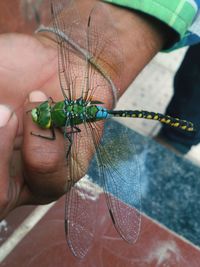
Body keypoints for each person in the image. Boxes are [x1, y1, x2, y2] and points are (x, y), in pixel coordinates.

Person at [0, 0, 200, 220]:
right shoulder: (63, 98)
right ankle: (177, 137)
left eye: (43, 110)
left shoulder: (61, 112)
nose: (39, 113)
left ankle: (176, 139)